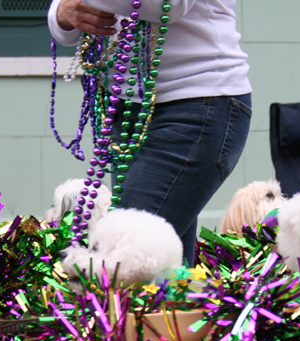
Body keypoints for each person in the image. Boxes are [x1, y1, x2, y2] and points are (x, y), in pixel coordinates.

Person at [48, 0, 252, 267]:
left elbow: (167, 5)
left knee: (120, 262)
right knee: (162, 279)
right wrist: (62, 12)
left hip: (195, 106)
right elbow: (66, 24)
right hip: (130, 111)